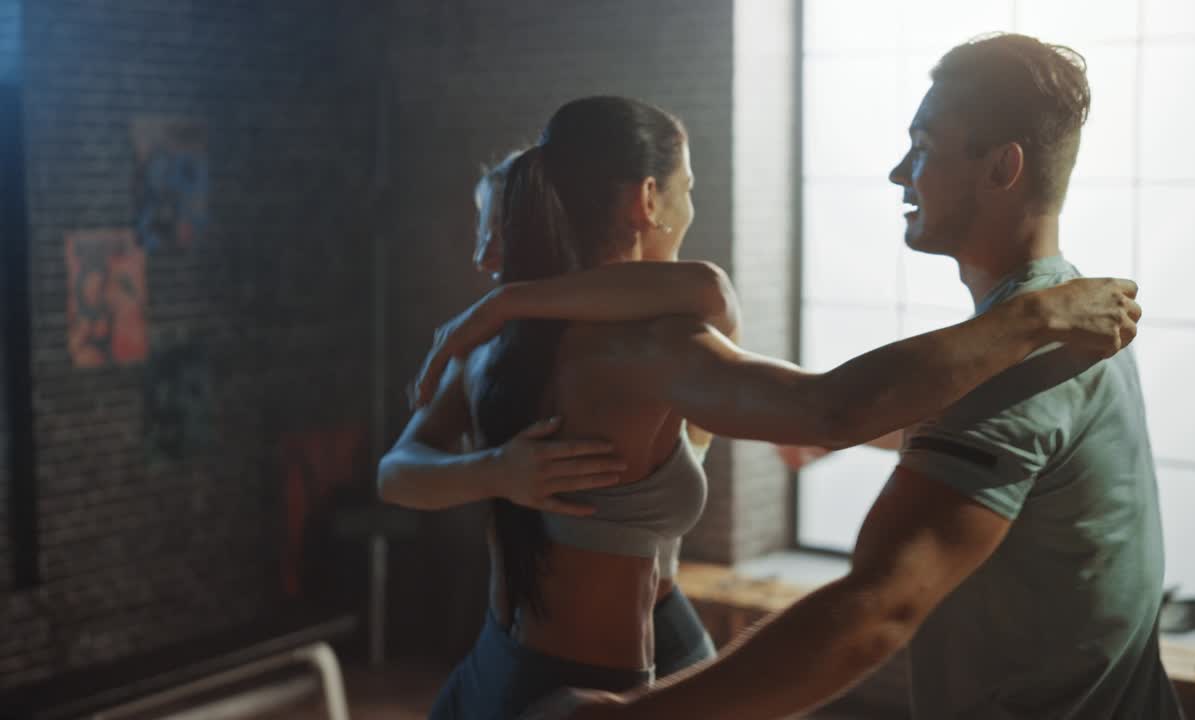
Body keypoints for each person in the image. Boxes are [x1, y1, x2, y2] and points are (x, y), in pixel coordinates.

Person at [400, 94, 1140, 720]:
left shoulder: (511, 334)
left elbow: (809, 400)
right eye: (689, 186)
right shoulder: (656, 344)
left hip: (555, 648)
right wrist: (1031, 318)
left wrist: (503, 332)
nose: (693, 203)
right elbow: (822, 406)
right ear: (647, 200)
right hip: (581, 676)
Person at [385, 149, 736, 677]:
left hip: (650, 636)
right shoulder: (487, 353)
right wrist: (495, 471)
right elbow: (395, 475)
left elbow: (710, 289)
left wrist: (504, 303)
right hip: (522, 644)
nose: (482, 257)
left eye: (499, 230)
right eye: (480, 230)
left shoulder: (647, 332)